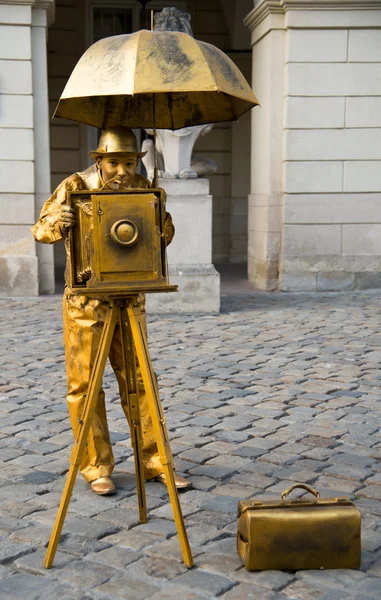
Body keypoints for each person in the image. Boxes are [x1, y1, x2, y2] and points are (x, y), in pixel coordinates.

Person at [32, 126, 189, 495]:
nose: (123, 171)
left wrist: (160, 214)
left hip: (130, 298)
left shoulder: (144, 187)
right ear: (99, 160)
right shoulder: (75, 186)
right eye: (115, 162)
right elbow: (40, 229)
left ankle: (155, 462)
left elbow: (163, 235)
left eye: (130, 162)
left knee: (140, 381)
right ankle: (95, 465)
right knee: (85, 385)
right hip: (86, 303)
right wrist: (60, 222)